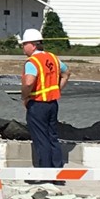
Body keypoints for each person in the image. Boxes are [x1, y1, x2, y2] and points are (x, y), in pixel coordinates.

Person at [19, 28, 70, 176]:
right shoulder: (53, 58)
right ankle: (57, 172)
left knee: (41, 140)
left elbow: (29, 83)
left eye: (24, 44)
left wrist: (25, 97)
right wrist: (57, 90)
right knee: (52, 137)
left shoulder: (32, 62)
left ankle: (45, 175)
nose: (23, 47)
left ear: (33, 45)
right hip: (52, 104)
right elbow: (66, 73)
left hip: (37, 104)